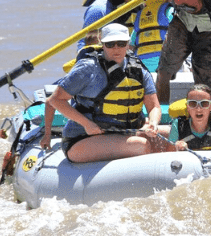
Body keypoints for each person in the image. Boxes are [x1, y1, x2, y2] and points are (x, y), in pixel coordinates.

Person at [47, 23, 162, 163]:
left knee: (171, 135)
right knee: (140, 145)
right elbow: (56, 100)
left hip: (123, 133)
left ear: (128, 44)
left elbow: (154, 106)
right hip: (83, 139)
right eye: (110, 44)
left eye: (121, 43)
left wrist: (154, 123)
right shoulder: (88, 68)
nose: (116, 48)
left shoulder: (139, 70)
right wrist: (87, 124)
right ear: (102, 44)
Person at [130, 0, 175, 72]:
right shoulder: (169, 11)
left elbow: (131, 44)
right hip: (164, 62)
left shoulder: (140, 15)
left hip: (142, 64)